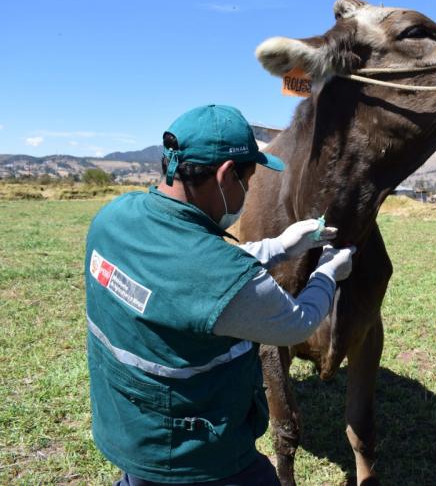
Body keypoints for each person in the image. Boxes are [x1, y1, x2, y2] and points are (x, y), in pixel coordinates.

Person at [85, 104, 356, 485]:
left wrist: (279, 246)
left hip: (128, 429)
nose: (248, 189)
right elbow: (298, 323)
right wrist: (329, 272)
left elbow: (184, 270)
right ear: (227, 175)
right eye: (249, 179)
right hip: (197, 456)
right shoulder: (224, 278)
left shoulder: (114, 219)